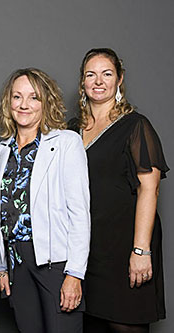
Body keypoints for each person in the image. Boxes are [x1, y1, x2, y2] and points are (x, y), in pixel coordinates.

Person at [69, 48, 169, 333]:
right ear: (82, 83)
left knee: (126, 325)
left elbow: (150, 191)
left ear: (119, 79)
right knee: (90, 325)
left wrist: (141, 250)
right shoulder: (71, 131)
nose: (98, 81)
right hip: (86, 249)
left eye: (107, 74)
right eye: (91, 74)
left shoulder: (136, 126)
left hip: (125, 245)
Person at [0, 68, 91, 332]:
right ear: (8, 102)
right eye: (17, 97)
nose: (24, 105)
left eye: (33, 97)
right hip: (17, 265)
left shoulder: (66, 143)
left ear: (46, 102)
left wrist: (75, 274)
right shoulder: (0, 152)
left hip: (55, 264)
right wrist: (2, 267)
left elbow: (80, 213)